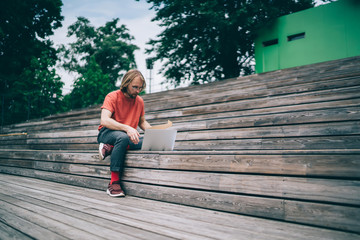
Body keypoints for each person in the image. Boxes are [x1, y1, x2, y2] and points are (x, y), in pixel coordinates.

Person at [97, 69, 151, 197]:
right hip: (107, 133)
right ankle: (113, 183)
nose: (138, 91)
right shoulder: (112, 96)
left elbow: (142, 122)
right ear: (126, 83)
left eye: (140, 88)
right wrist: (127, 128)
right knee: (122, 137)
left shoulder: (139, 101)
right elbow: (104, 120)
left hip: (126, 137)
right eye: (135, 87)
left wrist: (156, 133)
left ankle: (110, 148)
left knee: (147, 142)